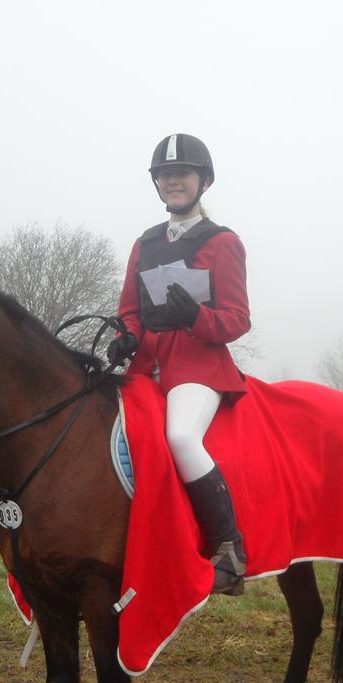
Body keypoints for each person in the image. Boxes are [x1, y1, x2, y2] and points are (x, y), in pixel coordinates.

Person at [109, 133, 250, 596]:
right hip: (146, 363)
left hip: (198, 365)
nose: (173, 182)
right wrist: (125, 336)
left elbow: (237, 319)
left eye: (182, 174)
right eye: (165, 175)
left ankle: (228, 546)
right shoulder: (144, 243)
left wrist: (196, 317)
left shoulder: (223, 242)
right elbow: (129, 307)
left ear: (203, 182)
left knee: (180, 436)